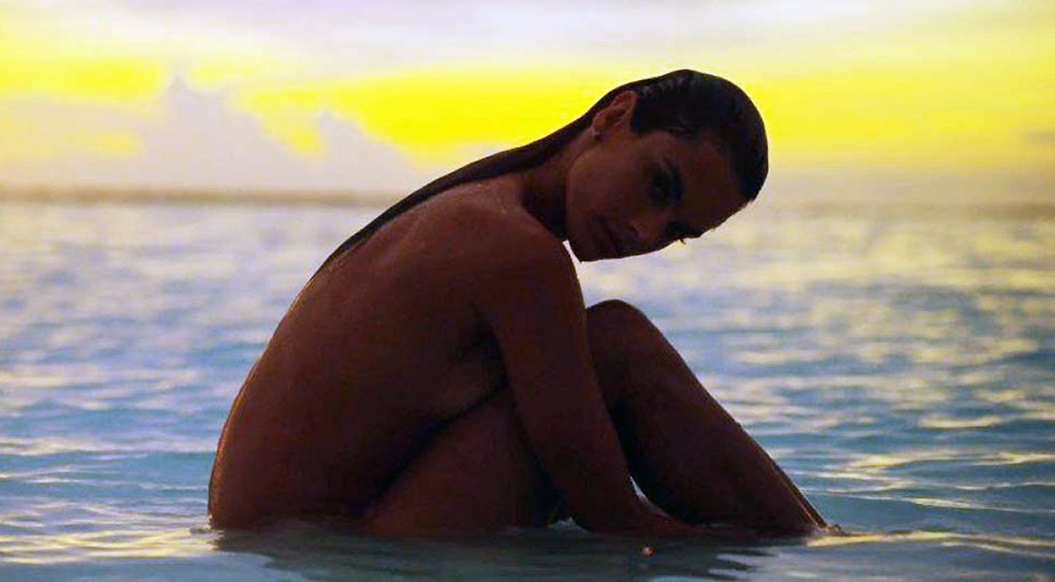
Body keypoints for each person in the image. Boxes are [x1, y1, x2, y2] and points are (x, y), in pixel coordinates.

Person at [208, 69, 827, 538]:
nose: (645, 230)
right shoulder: (517, 251)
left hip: (281, 544)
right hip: (331, 547)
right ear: (615, 116)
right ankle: (816, 549)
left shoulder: (478, 206)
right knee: (619, 346)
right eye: (658, 184)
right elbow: (610, 513)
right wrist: (695, 544)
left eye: (676, 232)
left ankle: (811, 541)